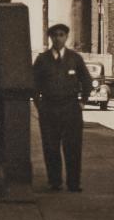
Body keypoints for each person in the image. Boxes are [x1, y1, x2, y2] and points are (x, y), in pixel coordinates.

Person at [32, 23, 92, 192]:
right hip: (49, 108)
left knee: (72, 147)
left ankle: (74, 183)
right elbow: (33, 84)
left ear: (66, 37)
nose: (58, 38)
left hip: (71, 108)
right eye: (55, 35)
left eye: (61, 35)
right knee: (51, 147)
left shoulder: (75, 58)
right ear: (50, 38)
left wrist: (82, 102)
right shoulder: (42, 59)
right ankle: (55, 181)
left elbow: (87, 81)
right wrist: (40, 106)